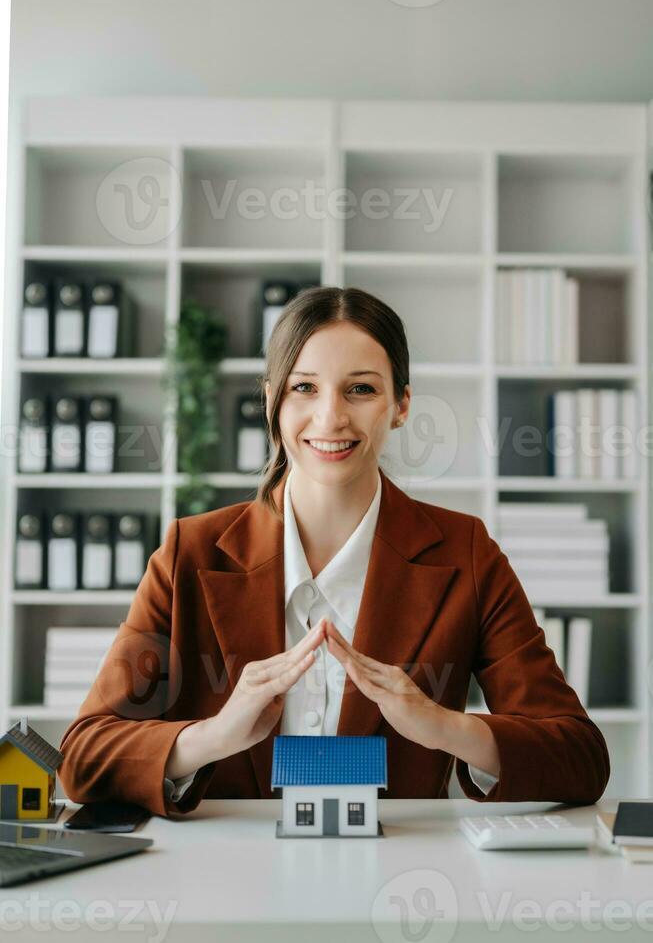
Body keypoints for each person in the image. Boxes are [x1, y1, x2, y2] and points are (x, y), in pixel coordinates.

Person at [58, 286, 610, 817]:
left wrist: (442, 725)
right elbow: (83, 758)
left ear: (400, 405)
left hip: (400, 881)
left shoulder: (466, 553)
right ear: (270, 399)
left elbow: (581, 757)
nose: (331, 417)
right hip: (222, 885)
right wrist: (213, 736)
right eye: (304, 388)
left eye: (361, 389)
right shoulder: (189, 553)